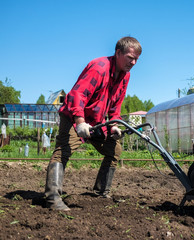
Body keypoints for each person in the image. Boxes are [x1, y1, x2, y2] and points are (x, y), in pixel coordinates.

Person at [44, 37, 142, 211]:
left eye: (136, 59)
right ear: (118, 53)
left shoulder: (125, 76)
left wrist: (113, 125)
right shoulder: (100, 67)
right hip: (75, 116)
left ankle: (101, 192)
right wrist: (80, 122)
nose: (133, 62)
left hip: (96, 120)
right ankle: (52, 198)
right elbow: (77, 95)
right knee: (63, 150)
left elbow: (115, 104)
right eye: (130, 57)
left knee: (114, 149)